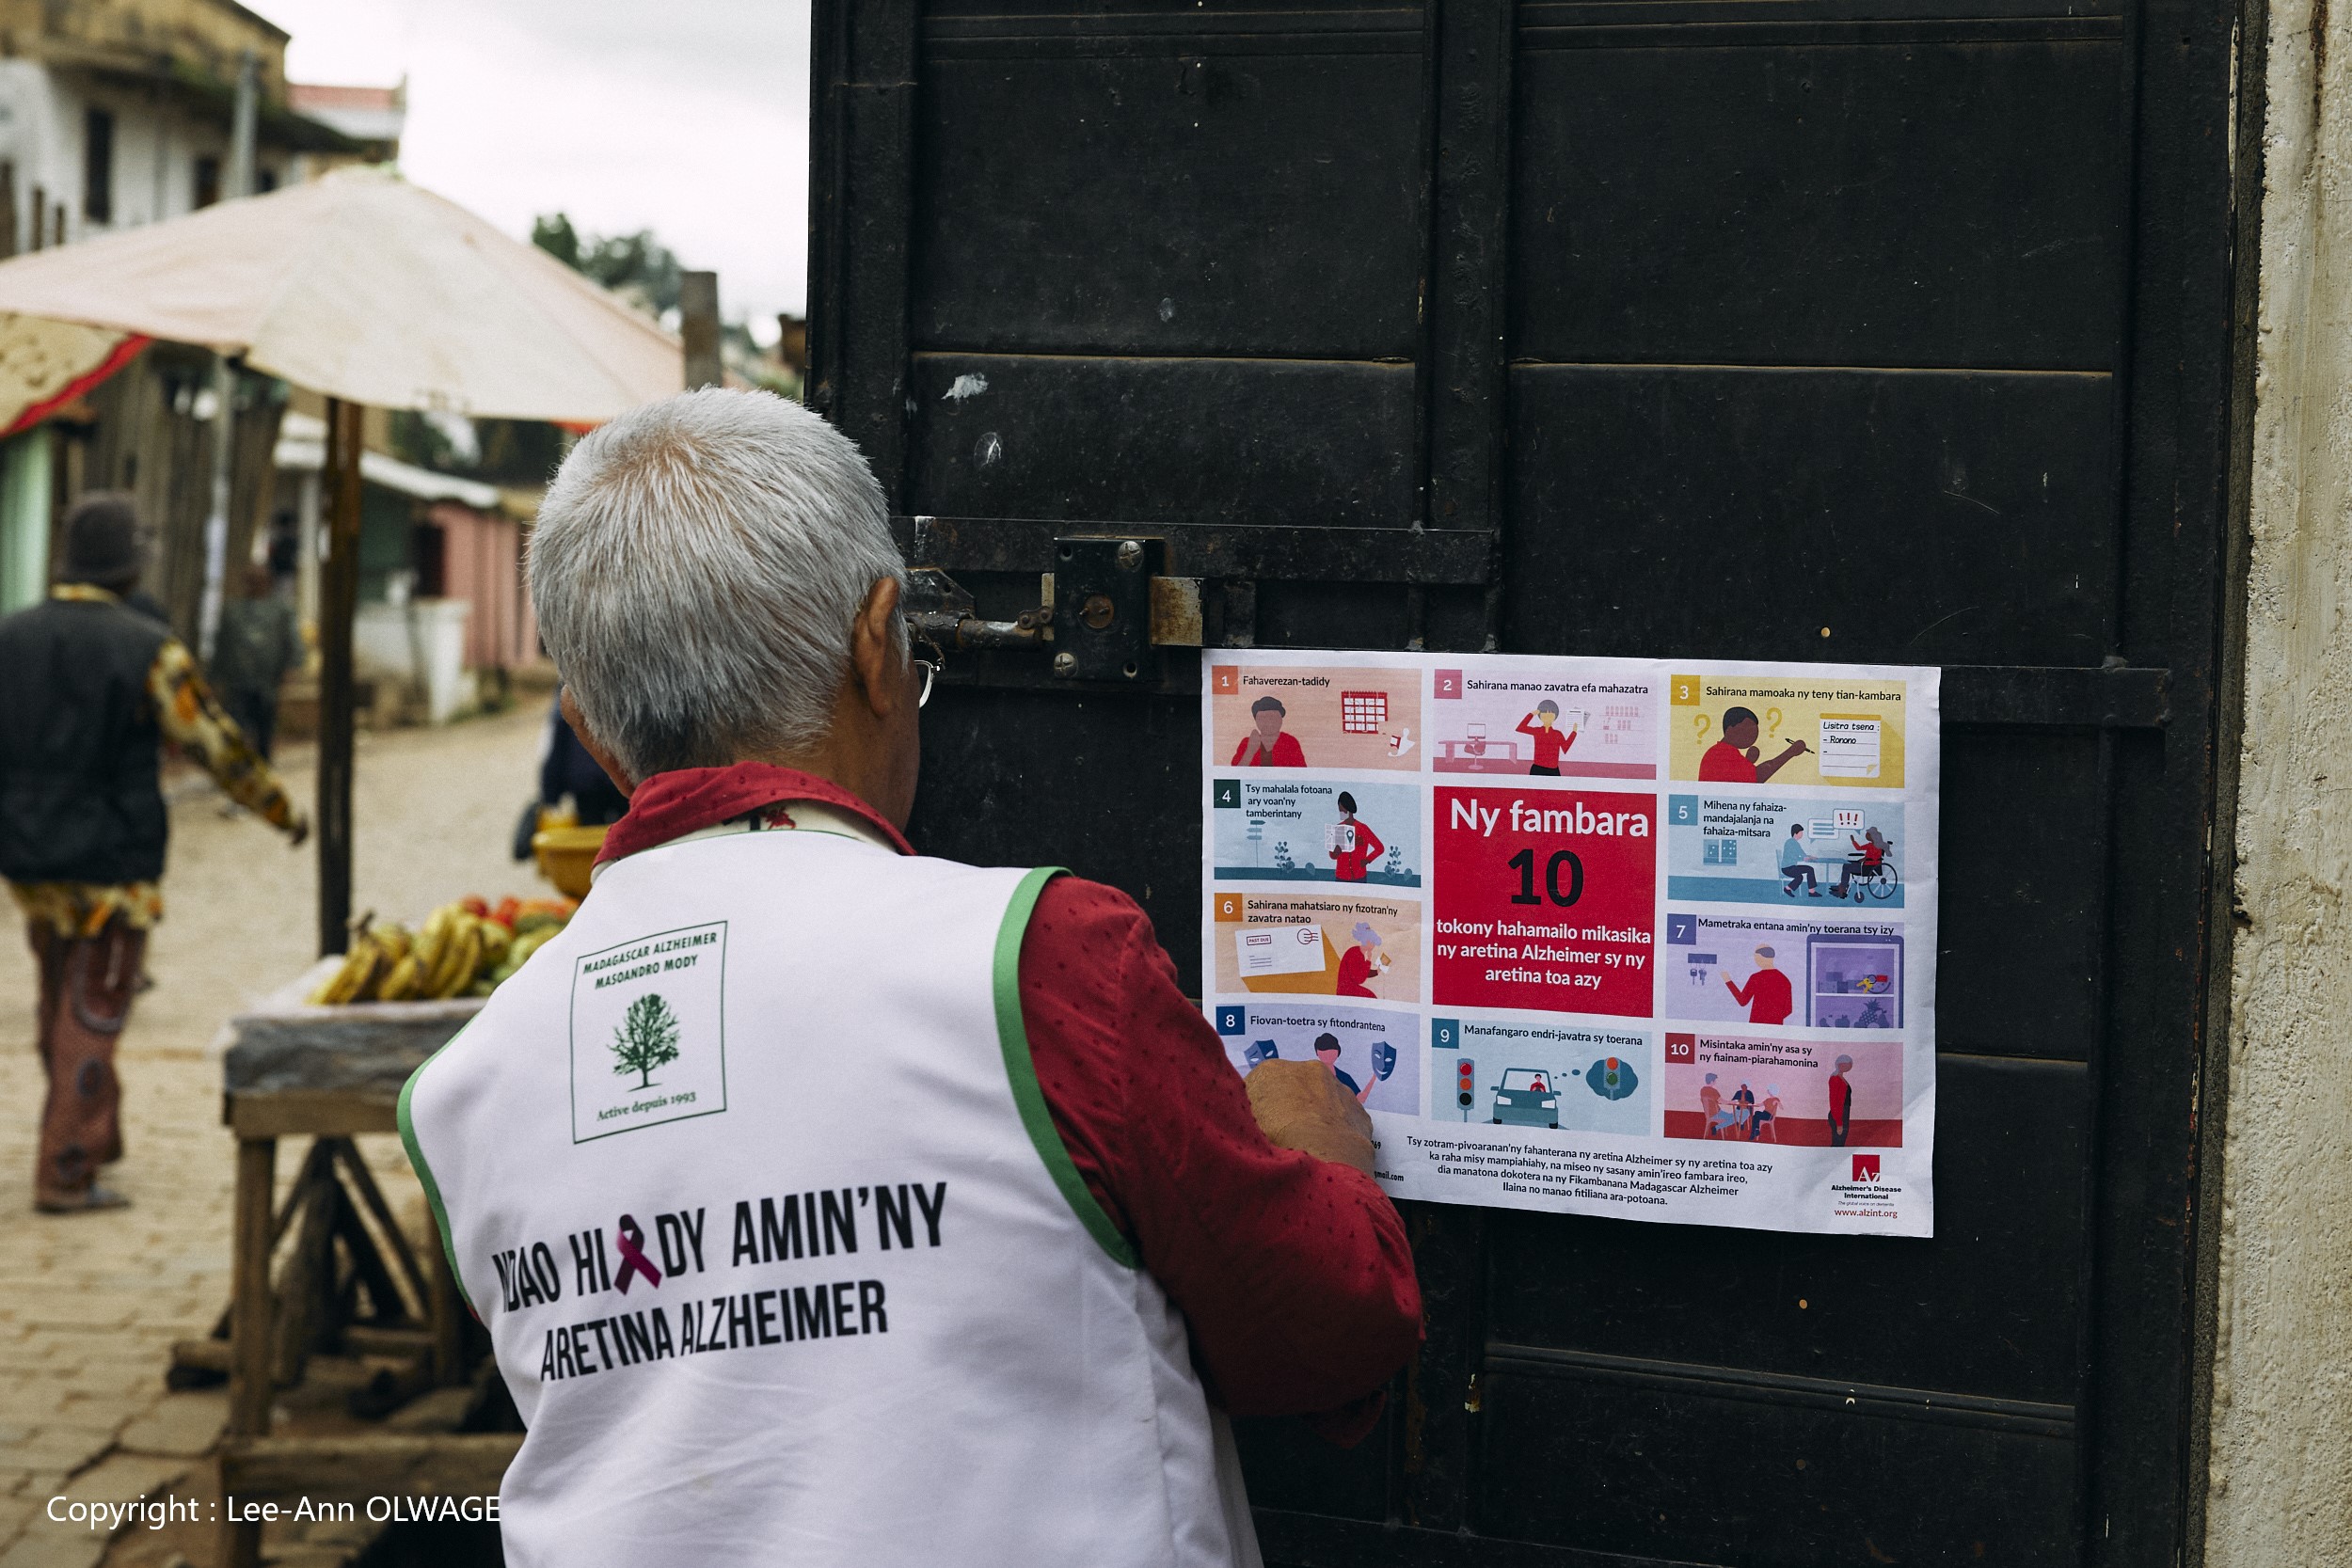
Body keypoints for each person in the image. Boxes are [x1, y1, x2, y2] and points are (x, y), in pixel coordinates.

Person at [399, 389, 1420, 1567]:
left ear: (587, 728)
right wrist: (1322, 1155)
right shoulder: (1036, 963)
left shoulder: (463, 1089)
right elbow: (1321, 1327)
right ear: (878, 644)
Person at [0, 495, 308, 1213]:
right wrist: (280, 809)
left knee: (58, 1000)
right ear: (130, 563)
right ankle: (66, 1168)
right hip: (113, 865)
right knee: (96, 1011)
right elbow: (215, 744)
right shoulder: (147, 647)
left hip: (30, 858)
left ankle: (93, 1134)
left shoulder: (10, 638)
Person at [210, 562, 304, 760]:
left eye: (259, 580)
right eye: (251, 580)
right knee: (236, 728)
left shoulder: (281, 611)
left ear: (268, 582)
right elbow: (222, 645)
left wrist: (291, 668)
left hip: (267, 682)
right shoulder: (232, 611)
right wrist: (214, 678)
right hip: (238, 682)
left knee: (264, 728)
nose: (255, 584)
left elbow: (292, 641)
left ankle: (263, 766)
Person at [1697, 705, 1810, 784]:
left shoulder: (1719, 751)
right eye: (1748, 731)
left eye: (1754, 733)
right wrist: (1790, 752)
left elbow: (1738, 778)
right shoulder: (1723, 753)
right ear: (1730, 729)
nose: (1752, 737)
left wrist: (1748, 762)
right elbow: (1757, 777)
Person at [1724, 944, 1794, 1025]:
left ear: (1761, 957)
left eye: (1756, 957)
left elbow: (1742, 1001)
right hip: (1776, 1028)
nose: (1755, 960)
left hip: (1756, 1027)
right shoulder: (1785, 980)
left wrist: (1728, 980)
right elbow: (1788, 1010)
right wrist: (1774, 1018)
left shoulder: (1756, 978)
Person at [1327, 792, 1386, 883]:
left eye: (1342, 811)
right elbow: (1332, 856)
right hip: (1341, 877)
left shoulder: (1363, 828)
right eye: (1340, 811)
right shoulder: (1337, 828)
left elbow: (1380, 848)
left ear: (1349, 809)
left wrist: (1367, 860)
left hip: (1359, 877)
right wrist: (1336, 852)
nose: (1341, 813)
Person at [1232, 695, 1306, 768]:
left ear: (1280, 720)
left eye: (1273, 717)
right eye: (1263, 718)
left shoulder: (1290, 742)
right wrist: (1250, 751)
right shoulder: (1247, 742)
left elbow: (1301, 773)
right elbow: (1233, 773)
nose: (1268, 722)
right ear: (1256, 720)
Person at [1311, 1032, 1375, 1105]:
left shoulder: (1344, 1077)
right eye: (1324, 1051)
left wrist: (1374, 1076)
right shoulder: (1310, 1074)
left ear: (1338, 1052)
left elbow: (1360, 1099)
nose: (1327, 1054)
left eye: (1331, 1051)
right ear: (1317, 1052)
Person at [1515, 700, 1576, 775]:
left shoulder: (1558, 734)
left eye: (1550, 715)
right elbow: (1520, 728)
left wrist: (1574, 732)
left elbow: (1565, 748)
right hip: (1537, 768)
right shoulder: (1537, 731)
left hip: (1553, 770)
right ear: (1540, 716)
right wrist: (1531, 714)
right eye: (1544, 714)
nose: (1547, 717)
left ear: (1555, 717)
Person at [1833, 825, 1890, 900]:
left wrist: (1853, 841)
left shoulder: (1872, 846)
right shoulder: (1877, 845)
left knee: (1846, 866)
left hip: (1867, 867)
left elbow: (1862, 851)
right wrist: (1864, 858)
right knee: (1847, 865)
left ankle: (1843, 887)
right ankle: (1843, 886)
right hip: (1868, 865)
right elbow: (1863, 851)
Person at [1335, 921, 1388, 999]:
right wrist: (1368, 961)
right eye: (1373, 942)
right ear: (1367, 941)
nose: (1373, 946)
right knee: (1372, 997)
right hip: (1346, 990)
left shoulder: (1359, 953)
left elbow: (1362, 972)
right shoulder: (1354, 953)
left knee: (1372, 997)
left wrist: (1378, 970)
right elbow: (1359, 979)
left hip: (1350, 989)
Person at [1779, 823, 1820, 897]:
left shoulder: (1793, 842)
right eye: (1801, 832)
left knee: (1806, 872)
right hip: (1788, 868)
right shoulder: (1792, 842)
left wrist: (1809, 857)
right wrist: (1806, 858)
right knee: (1805, 872)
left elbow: (1800, 855)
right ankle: (1811, 892)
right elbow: (1798, 855)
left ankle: (1788, 888)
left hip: (1790, 867)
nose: (1802, 834)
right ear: (1795, 833)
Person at [1827, 1054, 1855, 1146]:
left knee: (1840, 1142)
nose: (1847, 1067)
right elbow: (1834, 1101)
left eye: (1848, 1065)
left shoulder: (1841, 1078)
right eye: (1845, 1065)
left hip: (1843, 1113)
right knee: (1838, 1143)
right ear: (1839, 1065)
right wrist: (1839, 1122)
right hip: (1838, 1114)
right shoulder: (1835, 1079)